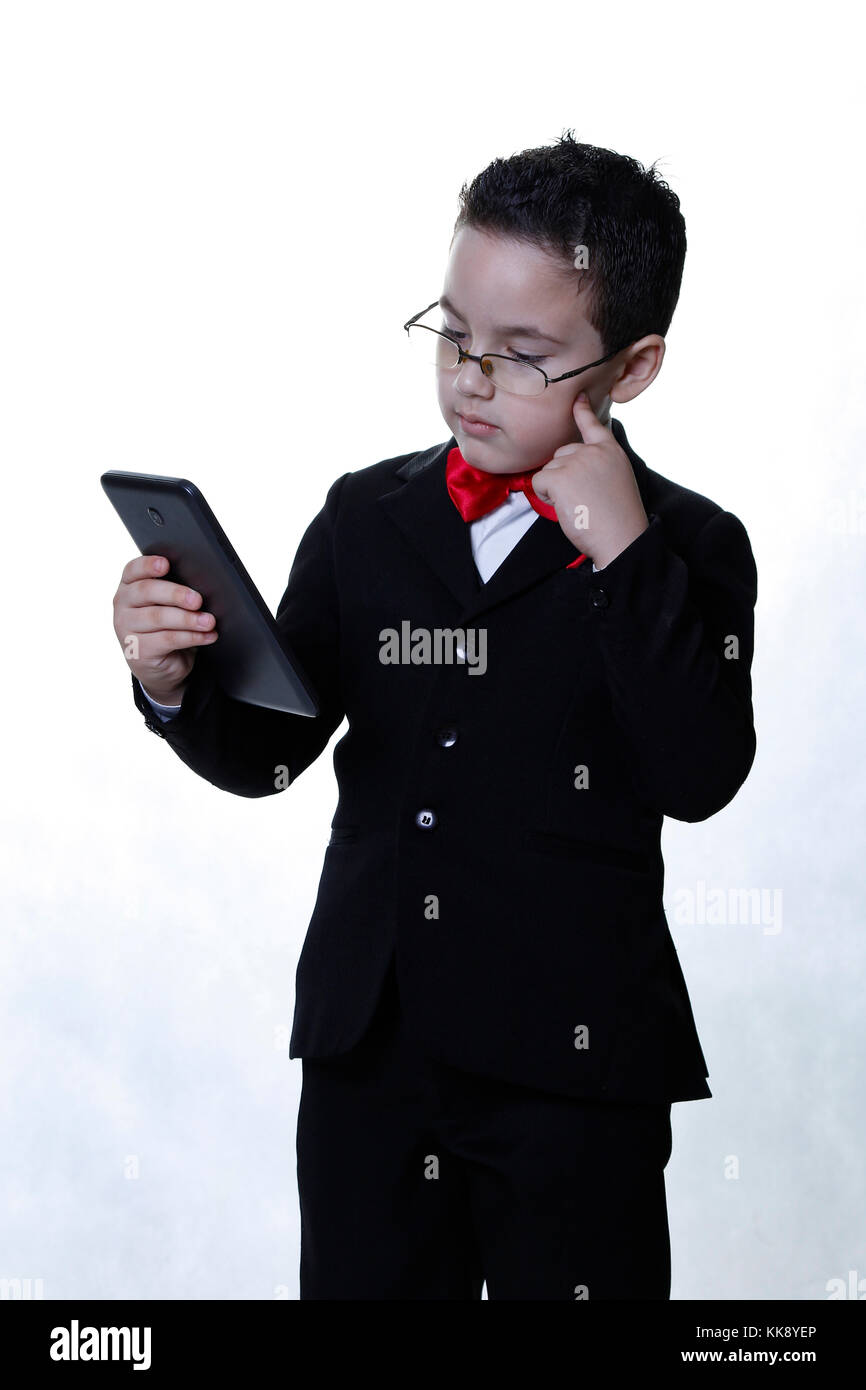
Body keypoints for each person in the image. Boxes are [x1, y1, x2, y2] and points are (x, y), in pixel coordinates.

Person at [112, 132, 758, 1300]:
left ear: (632, 365)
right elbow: (273, 747)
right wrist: (172, 683)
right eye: (452, 333)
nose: (469, 375)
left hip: (572, 1067)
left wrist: (621, 553)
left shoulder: (690, 547)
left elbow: (697, 770)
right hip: (373, 1046)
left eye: (521, 354)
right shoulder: (367, 515)